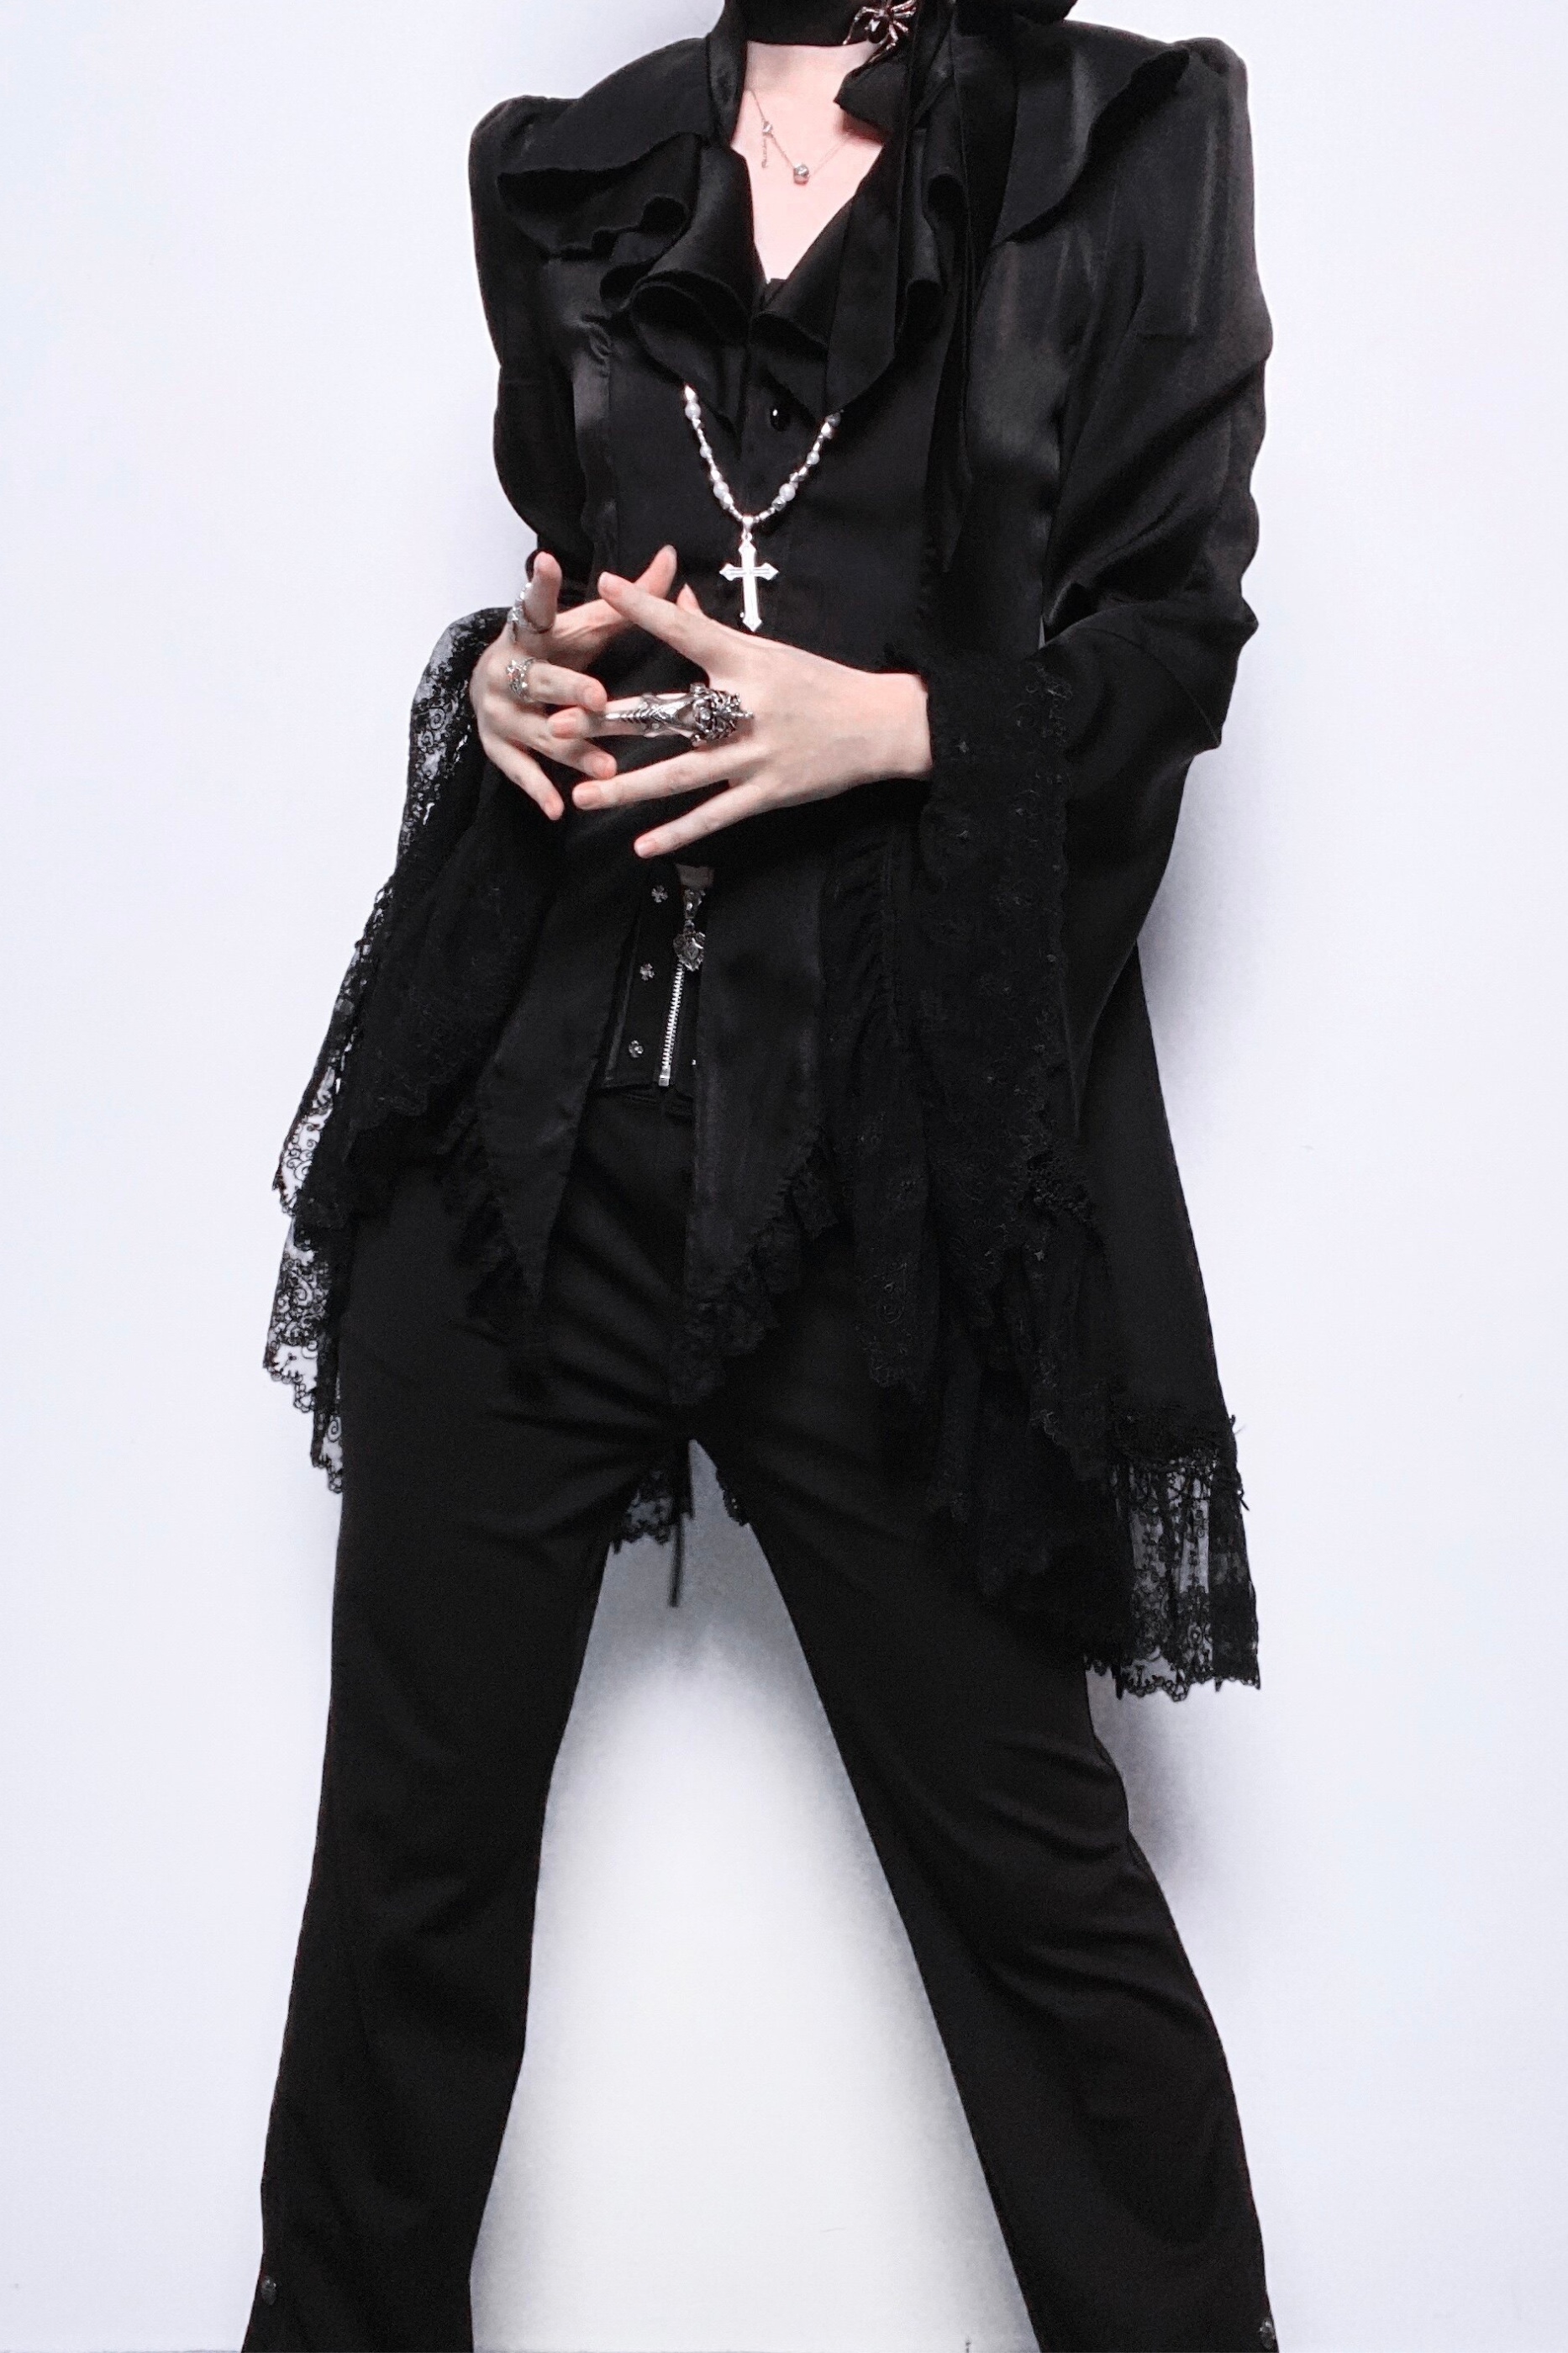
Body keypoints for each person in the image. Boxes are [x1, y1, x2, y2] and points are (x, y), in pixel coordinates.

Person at [246, 1, 1276, 2345]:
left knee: (1036, 1896)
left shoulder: (1124, 138)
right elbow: (604, 582)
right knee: (404, 1888)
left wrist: (891, 723)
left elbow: (1173, 646)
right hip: (523, 1143)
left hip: (875, 1184)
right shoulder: (575, 168)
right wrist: (511, 673)